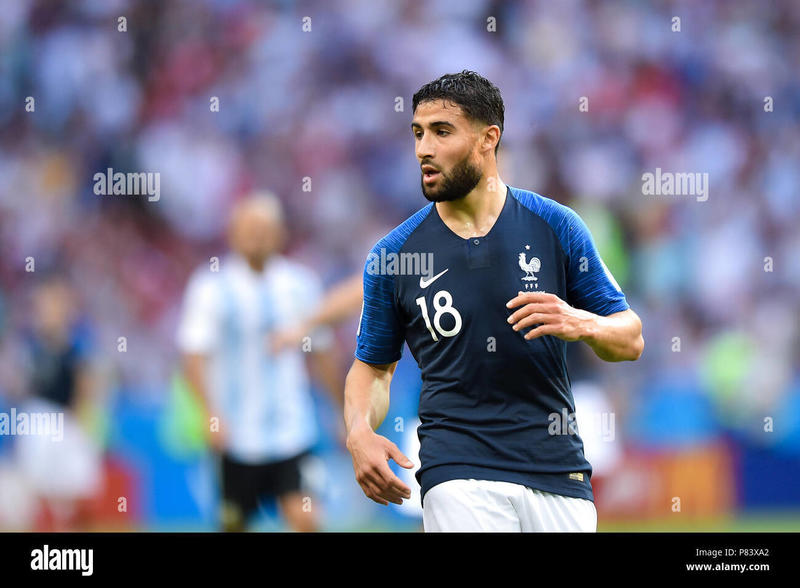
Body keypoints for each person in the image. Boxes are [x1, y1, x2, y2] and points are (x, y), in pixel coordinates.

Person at [344, 71, 644, 532]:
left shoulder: (556, 226)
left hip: (557, 468)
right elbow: (373, 369)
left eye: (442, 132)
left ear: (489, 139)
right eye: (418, 133)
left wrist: (580, 322)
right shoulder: (393, 256)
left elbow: (630, 339)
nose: (424, 148)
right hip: (456, 469)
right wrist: (359, 432)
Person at [176, 192, 342, 532]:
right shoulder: (211, 287)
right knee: (234, 523)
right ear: (233, 232)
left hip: (292, 431)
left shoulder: (300, 284)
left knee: (306, 519)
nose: (257, 236)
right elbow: (193, 356)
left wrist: (342, 412)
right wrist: (210, 414)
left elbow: (322, 352)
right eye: (250, 228)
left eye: (265, 228)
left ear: (281, 233)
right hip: (236, 435)